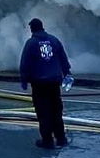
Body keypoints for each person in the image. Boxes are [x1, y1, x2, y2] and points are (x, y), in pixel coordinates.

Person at [19, 17, 71, 149]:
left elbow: (25, 64)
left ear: (32, 29)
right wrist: (67, 73)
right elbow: (63, 59)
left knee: (43, 112)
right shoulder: (54, 40)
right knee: (56, 110)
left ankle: (47, 141)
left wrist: (24, 80)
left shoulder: (31, 43)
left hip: (39, 83)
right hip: (54, 82)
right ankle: (61, 138)